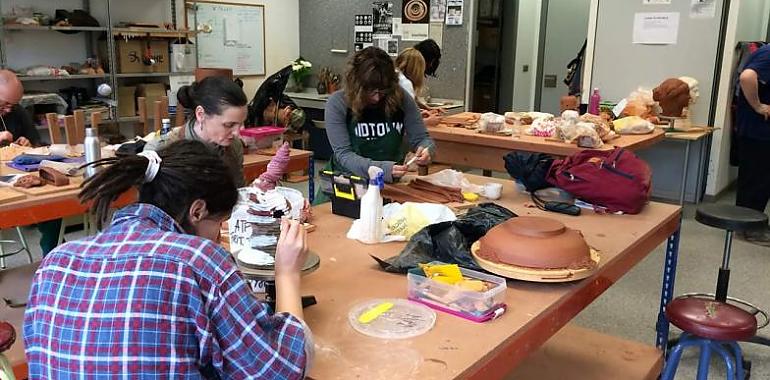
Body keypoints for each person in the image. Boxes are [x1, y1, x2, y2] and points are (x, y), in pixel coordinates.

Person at [24, 140, 313, 378]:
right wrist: (287, 274)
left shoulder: (55, 262)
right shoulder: (198, 259)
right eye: (219, 224)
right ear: (197, 211)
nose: (217, 237)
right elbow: (281, 372)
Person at [322, 47, 435, 197]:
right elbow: (344, 155)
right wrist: (383, 169)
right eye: (370, 91)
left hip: (387, 186)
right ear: (356, 85)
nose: (377, 98)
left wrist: (427, 149)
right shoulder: (338, 103)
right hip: (346, 186)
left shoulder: (402, 99)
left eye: (382, 91)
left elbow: (422, 138)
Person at [145, 76, 248, 186]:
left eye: (241, 124)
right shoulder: (160, 151)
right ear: (201, 114)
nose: (237, 133)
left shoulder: (233, 146)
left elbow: (239, 191)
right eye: (229, 125)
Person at [735, 44, 770, 245]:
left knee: (758, 179)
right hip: (758, 130)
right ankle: (749, 228)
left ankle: (750, 223)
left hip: (759, 131)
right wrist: (758, 106)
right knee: (757, 179)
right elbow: (747, 77)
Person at [395, 47, 442, 127]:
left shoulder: (393, 76)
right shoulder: (405, 83)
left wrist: (420, 112)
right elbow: (405, 124)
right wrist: (428, 122)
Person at [0, 70, 40, 147]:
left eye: (12, 105)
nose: (9, 110)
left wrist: (29, 144)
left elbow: (36, 142)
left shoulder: (18, 111)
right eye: (6, 104)